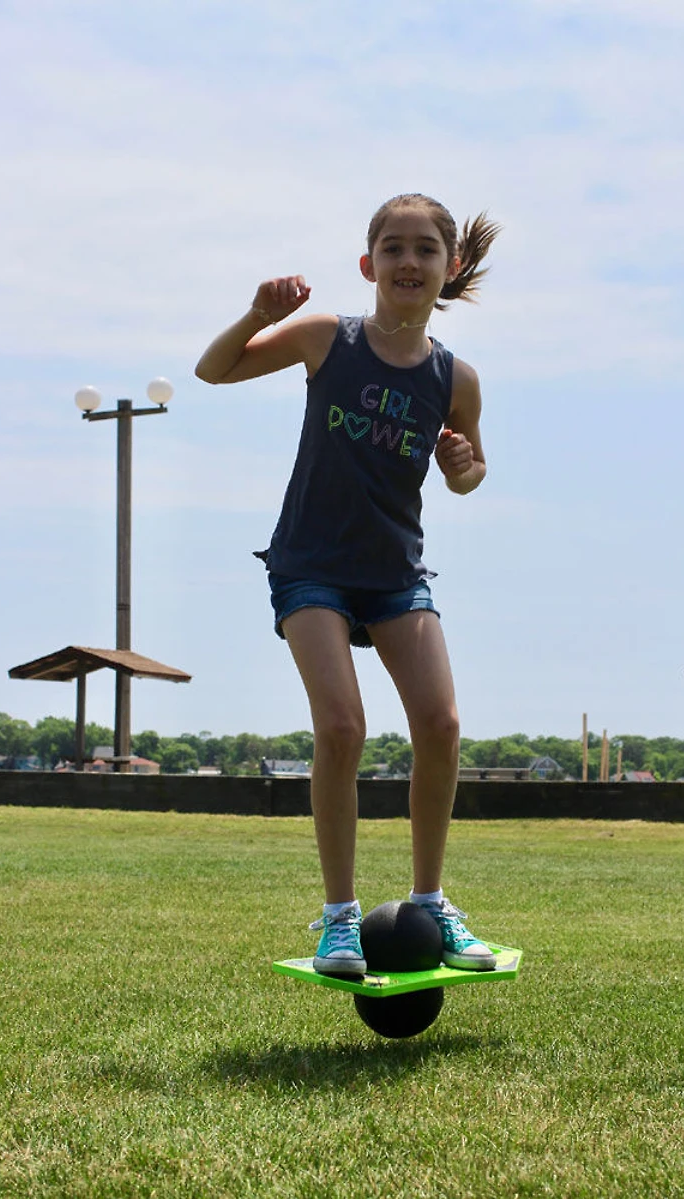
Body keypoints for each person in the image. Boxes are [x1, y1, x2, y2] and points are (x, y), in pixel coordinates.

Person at [196, 193, 501, 976]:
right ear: (369, 266)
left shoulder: (454, 377)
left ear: (450, 266)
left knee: (441, 725)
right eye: (392, 248)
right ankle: (338, 919)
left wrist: (465, 468)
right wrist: (255, 312)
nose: (409, 261)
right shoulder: (328, 338)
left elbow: (468, 470)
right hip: (312, 566)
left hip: (396, 574)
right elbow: (213, 369)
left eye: (426, 249)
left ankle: (431, 901)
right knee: (341, 727)